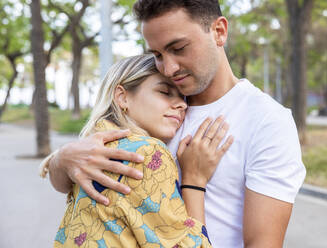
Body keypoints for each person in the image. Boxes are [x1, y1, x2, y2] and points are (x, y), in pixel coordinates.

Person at [42, 0, 306, 247]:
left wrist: (193, 181)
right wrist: (62, 160)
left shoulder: (266, 120)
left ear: (219, 31)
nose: (168, 68)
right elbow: (73, 186)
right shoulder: (150, 106)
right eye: (157, 54)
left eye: (178, 49)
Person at [52, 54, 232, 247]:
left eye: (183, 97)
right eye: (165, 92)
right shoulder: (147, 152)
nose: (182, 104)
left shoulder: (90, 149)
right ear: (122, 97)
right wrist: (194, 181)